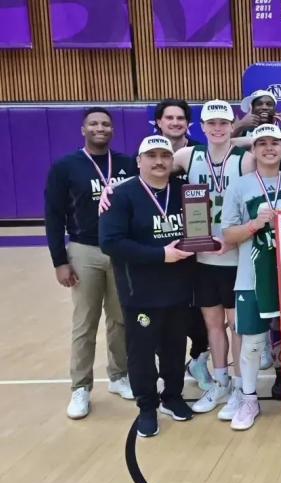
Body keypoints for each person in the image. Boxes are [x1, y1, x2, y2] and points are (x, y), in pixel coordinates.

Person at [98, 135, 199, 437]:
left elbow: (199, 231)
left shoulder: (185, 191)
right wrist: (160, 254)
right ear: (138, 161)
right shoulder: (120, 195)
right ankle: (147, 406)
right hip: (139, 291)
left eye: (164, 156)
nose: (159, 161)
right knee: (141, 353)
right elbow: (110, 243)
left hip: (179, 288)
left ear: (172, 161)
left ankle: (172, 396)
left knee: (174, 347)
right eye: (151, 156)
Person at [221, 124, 281, 427]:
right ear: (253, 150)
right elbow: (227, 235)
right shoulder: (239, 185)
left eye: (274, 143)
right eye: (261, 144)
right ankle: (249, 401)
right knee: (251, 341)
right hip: (251, 274)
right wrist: (254, 225)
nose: (269, 149)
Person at [45, 107, 135, 419]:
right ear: (83, 129)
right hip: (84, 250)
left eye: (106, 124)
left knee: (121, 319)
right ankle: (80, 387)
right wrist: (60, 260)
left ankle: (120, 375)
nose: (101, 128)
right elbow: (54, 216)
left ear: (112, 129)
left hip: (122, 251)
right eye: (94, 123)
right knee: (85, 323)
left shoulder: (127, 164)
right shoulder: (66, 167)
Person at [153, 99, 212, 389]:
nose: (175, 122)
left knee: (202, 311)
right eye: (169, 118)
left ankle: (198, 359)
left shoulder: (200, 152)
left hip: (199, 242)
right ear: (159, 122)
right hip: (163, 244)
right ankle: (166, 371)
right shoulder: (147, 155)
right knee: (164, 312)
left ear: (188, 123)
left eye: (180, 118)